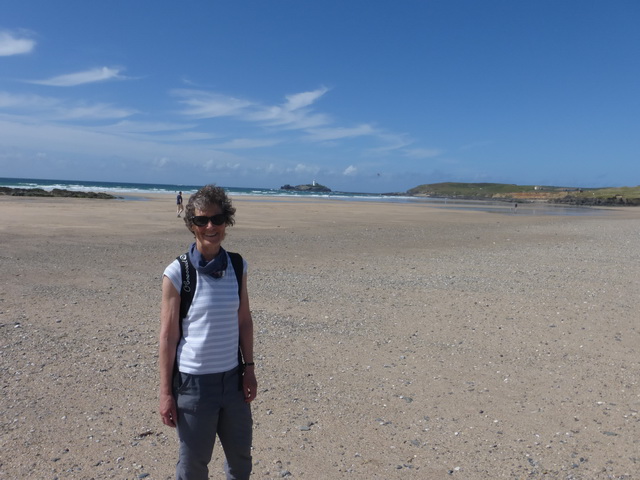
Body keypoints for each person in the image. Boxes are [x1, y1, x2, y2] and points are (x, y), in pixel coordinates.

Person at [159, 185, 257, 480]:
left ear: (227, 221)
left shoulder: (237, 265)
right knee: (193, 466)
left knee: (240, 462)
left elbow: (244, 321)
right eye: (202, 220)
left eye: (217, 219)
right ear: (192, 225)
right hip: (194, 386)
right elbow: (168, 337)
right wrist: (165, 393)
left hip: (233, 382)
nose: (210, 227)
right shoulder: (177, 272)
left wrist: (249, 369)